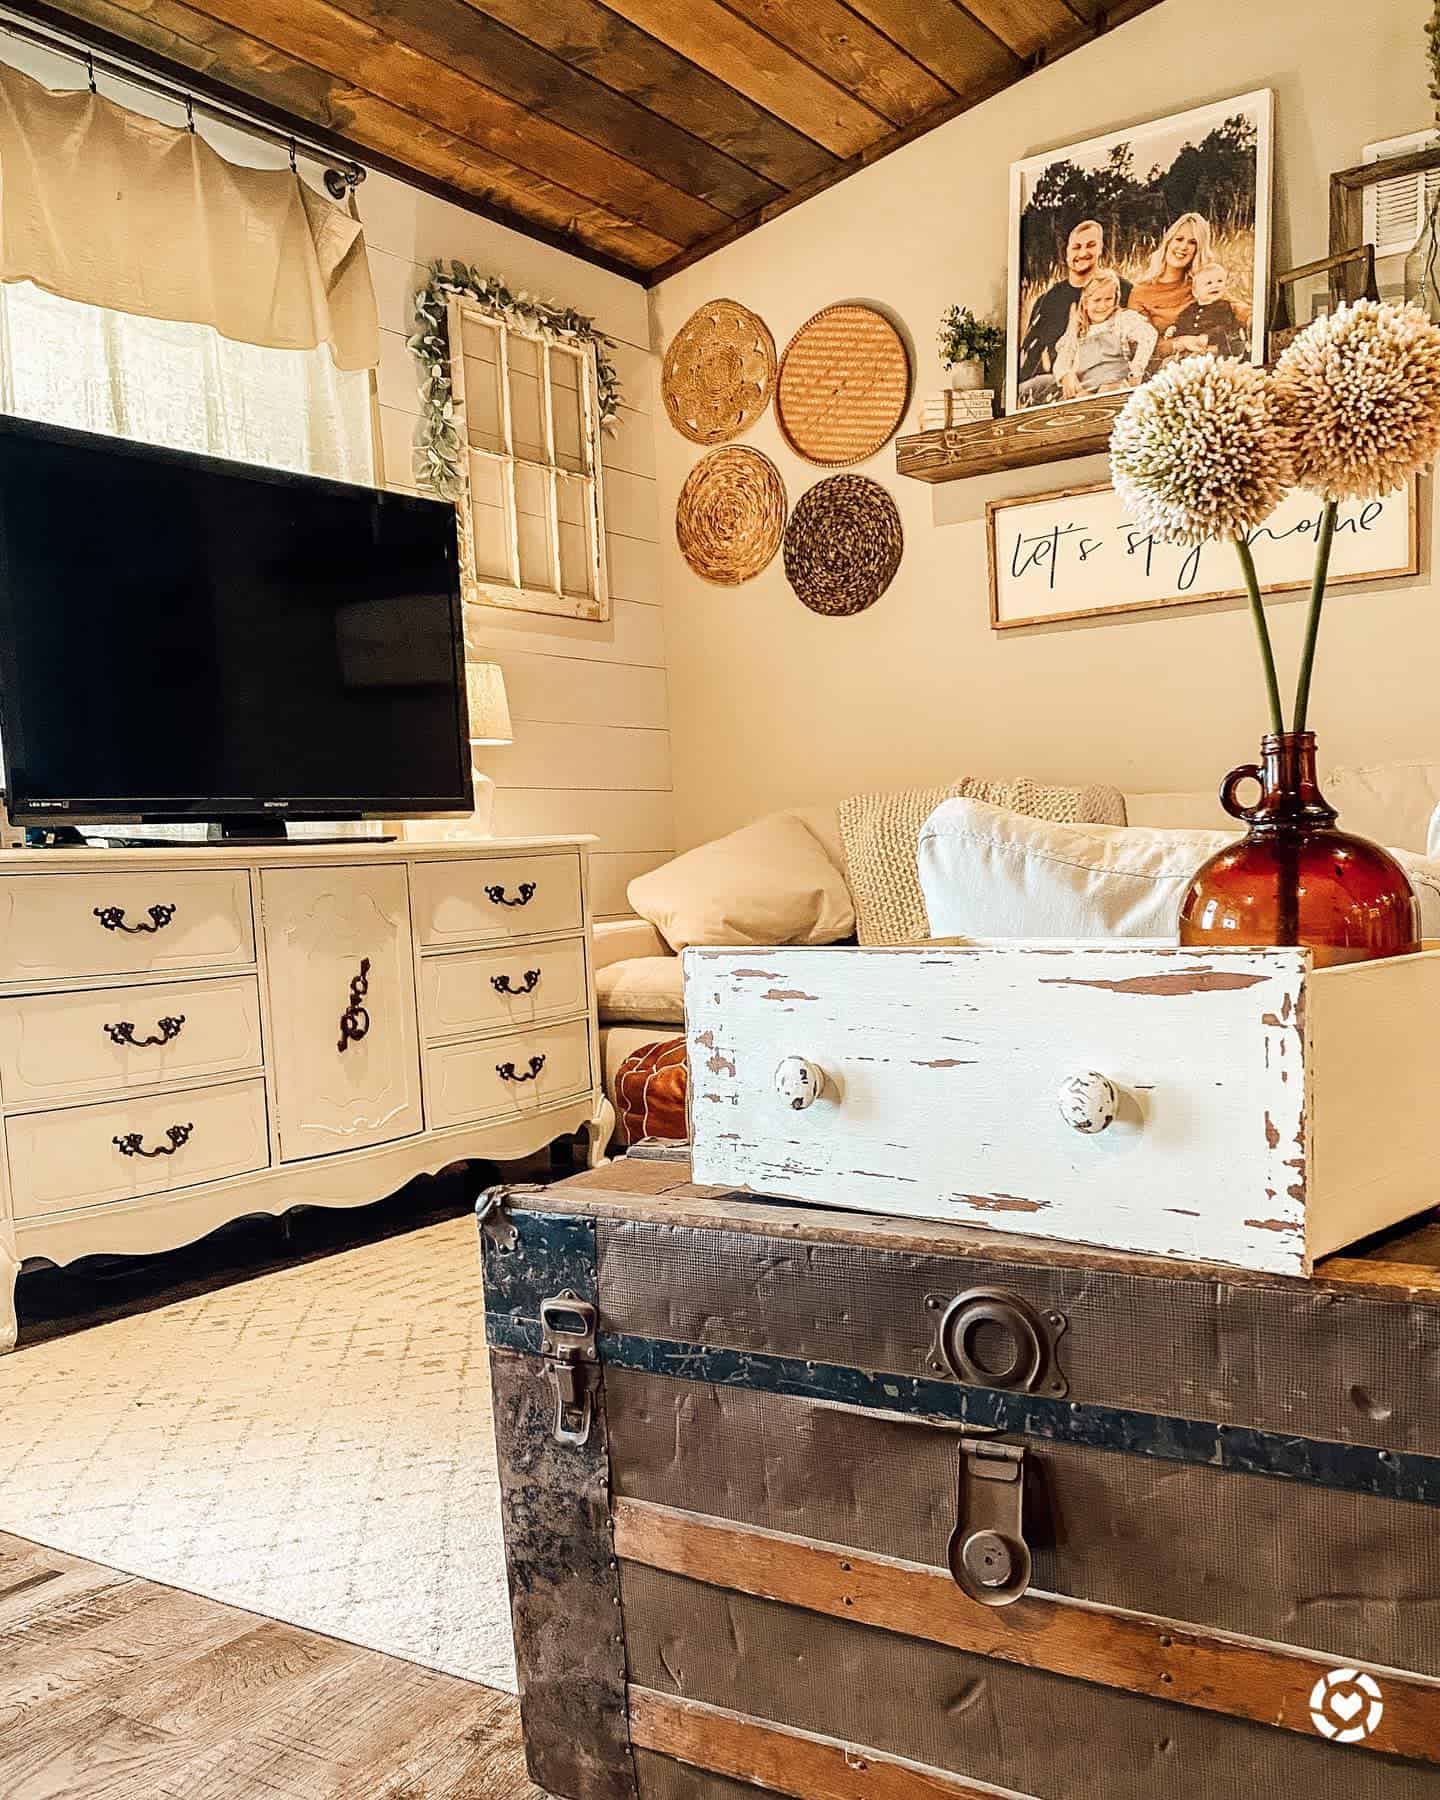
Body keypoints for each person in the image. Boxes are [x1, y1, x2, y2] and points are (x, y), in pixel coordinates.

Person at [1016, 218, 1132, 405]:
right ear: (1067, 252)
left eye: (1091, 245)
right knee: (1021, 391)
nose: (1083, 252)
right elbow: (1031, 353)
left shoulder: (1120, 288)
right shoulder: (1048, 299)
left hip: (1105, 381)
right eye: (1076, 247)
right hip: (1059, 380)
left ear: (1101, 248)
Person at [1023, 269, 1157, 405]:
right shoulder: (1078, 330)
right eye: (1097, 300)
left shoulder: (1122, 320)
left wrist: (1136, 371)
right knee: (1079, 401)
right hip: (1086, 386)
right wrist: (1066, 375)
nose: (1102, 306)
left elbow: (1149, 335)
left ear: (1116, 299)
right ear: (1086, 303)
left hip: (1115, 383)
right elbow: (1064, 355)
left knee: (1108, 391)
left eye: (1108, 299)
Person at [1129, 212, 1213, 351]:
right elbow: (1137, 343)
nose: (1183, 247)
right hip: (1163, 367)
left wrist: (1250, 318)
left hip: (1205, 359)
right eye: (1179, 239)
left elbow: (1233, 306)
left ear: (1198, 250)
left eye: (1192, 242)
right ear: (1168, 242)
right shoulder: (1141, 292)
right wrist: (1180, 343)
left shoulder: (1200, 284)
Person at [1160, 261, 1251, 360]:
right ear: (1195, 292)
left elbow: (1225, 326)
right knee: (1168, 362)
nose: (1215, 285)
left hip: (1213, 348)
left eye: (1220, 281)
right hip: (1190, 347)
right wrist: (1174, 329)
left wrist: (1208, 336)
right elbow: (1182, 322)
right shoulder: (1190, 309)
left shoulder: (1223, 306)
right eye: (1209, 283)